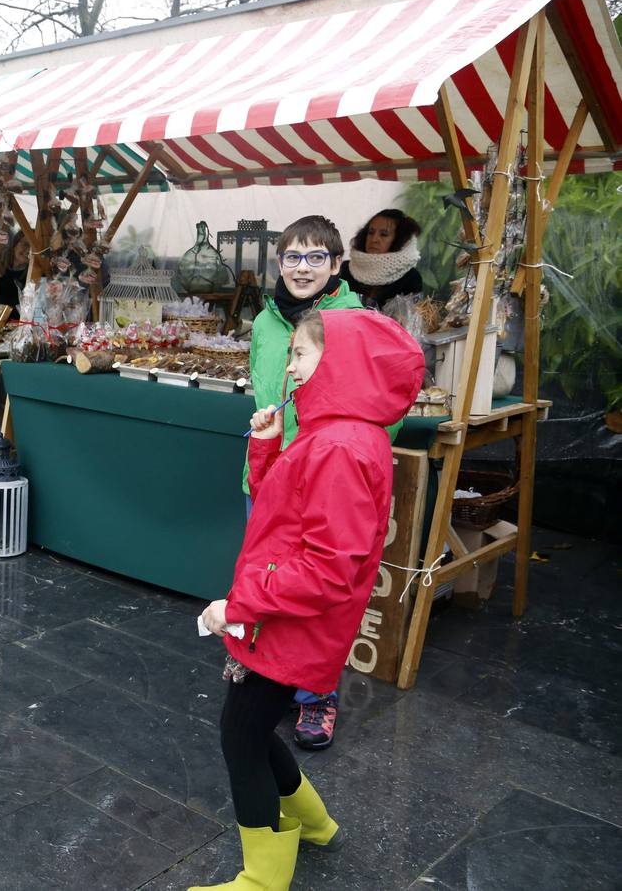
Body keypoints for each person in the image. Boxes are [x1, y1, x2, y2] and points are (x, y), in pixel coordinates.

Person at [194, 308, 423, 891]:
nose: (290, 368)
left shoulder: (341, 445)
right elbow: (288, 512)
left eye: (299, 355)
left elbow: (327, 569)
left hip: (286, 625)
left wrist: (240, 608)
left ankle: (263, 879)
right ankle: (313, 825)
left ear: (340, 361)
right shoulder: (334, 434)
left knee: (240, 736)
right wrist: (268, 448)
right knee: (251, 726)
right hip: (286, 620)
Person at [245, 215, 386, 751]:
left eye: (315, 258)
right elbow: (263, 385)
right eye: (291, 258)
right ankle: (266, 673)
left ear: (335, 265)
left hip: (324, 480)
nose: (302, 268)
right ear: (278, 263)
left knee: (318, 593)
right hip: (267, 469)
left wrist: (335, 452)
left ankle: (315, 695)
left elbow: (374, 407)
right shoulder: (263, 323)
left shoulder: (352, 319)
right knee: (269, 574)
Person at [339, 209, 423, 310]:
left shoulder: (411, 278)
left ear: (399, 240)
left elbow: (408, 320)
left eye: (383, 234)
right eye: (370, 232)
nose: (374, 239)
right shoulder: (345, 268)